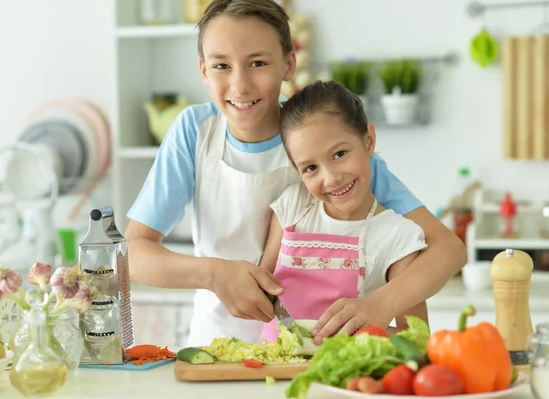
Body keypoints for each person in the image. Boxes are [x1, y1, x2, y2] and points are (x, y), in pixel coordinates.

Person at [125, 0, 465, 347]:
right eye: (222, 65)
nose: (240, 85)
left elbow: (447, 249)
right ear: (203, 70)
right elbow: (132, 253)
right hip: (216, 349)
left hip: (315, 354)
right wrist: (213, 274)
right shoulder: (194, 131)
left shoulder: (323, 138)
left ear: (289, 63)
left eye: (257, 63)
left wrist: (380, 306)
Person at [259, 80, 428, 342]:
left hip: (345, 379)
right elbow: (264, 284)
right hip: (271, 366)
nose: (331, 178)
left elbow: (417, 339)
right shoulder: (292, 206)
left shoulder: (399, 237)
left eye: (339, 154)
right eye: (310, 168)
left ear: (368, 141)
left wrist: (356, 332)